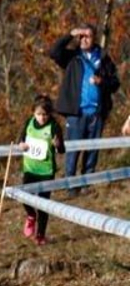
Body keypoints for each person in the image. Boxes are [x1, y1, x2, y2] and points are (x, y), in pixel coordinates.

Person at [49, 25, 119, 183]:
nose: (84, 39)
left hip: (97, 113)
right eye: (82, 36)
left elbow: (115, 84)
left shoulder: (104, 58)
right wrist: (70, 34)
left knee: (92, 151)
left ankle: (87, 184)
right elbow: (53, 52)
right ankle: (70, 184)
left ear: (94, 38)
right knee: (73, 150)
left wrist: (102, 81)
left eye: (88, 36)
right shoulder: (72, 57)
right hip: (76, 113)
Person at [18, 95, 65, 244]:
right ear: (33, 113)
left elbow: (62, 149)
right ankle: (31, 216)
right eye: (39, 114)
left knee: (44, 204)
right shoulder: (29, 123)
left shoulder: (54, 126)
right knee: (24, 196)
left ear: (49, 114)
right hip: (30, 169)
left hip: (46, 171)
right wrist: (21, 145)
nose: (42, 118)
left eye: (45, 114)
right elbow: (21, 139)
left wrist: (57, 145)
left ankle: (40, 235)